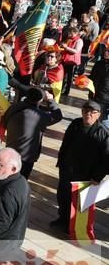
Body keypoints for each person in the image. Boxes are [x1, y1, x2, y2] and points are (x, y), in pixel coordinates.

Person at [52, 100, 109, 233]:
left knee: (79, 202)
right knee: (63, 195)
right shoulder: (75, 124)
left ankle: (74, 226)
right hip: (68, 169)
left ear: (98, 115)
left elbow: (107, 160)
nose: (87, 114)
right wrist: (61, 161)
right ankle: (63, 219)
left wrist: (97, 177)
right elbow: (65, 143)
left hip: (86, 174)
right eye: (85, 111)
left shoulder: (103, 134)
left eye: (92, 112)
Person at [0, 87, 62, 179]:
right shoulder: (38, 116)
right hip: (26, 157)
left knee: (6, 178)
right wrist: (50, 100)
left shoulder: (14, 107)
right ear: (40, 99)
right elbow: (58, 116)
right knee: (19, 181)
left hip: (10, 151)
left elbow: (4, 123)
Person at [60, 26, 83, 96]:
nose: (69, 34)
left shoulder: (79, 40)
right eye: (69, 33)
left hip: (72, 61)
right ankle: (61, 89)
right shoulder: (69, 39)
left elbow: (76, 51)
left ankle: (67, 91)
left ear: (76, 33)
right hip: (65, 59)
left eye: (71, 33)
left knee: (69, 77)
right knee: (63, 76)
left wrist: (66, 47)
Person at [89, 46, 109, 122]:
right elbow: (92, 76)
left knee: (100, 119)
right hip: (94, 94)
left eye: (108, 51)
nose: (106, 52)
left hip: (105, 98)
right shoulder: (99, 63)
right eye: (106, 50)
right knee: (92, 116)